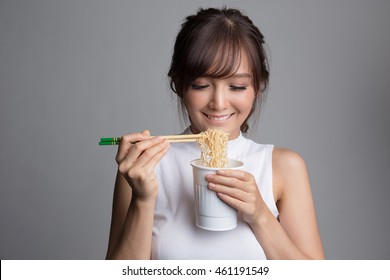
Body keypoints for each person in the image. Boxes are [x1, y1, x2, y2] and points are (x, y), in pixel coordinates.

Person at [105, 7, 324, 260]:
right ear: (179, 85)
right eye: (201, 85)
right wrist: (142, 200)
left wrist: (261, 216)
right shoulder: (143, 166)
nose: (219, 103)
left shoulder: (285, 167)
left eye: (237, 86)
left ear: (258, 87)